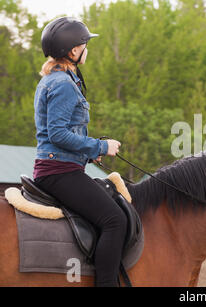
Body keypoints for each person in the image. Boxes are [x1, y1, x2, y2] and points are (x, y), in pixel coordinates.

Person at [33, 17, 126, 287]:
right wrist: (101, 147)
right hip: (59, 171)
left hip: (62, 165)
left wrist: (87, 153)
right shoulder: (63, 84)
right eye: (85, 44)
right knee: (114, 220)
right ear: (74, 51)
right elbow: (57, 134)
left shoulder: (57, 79)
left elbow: (63, 133)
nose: (87, 49)